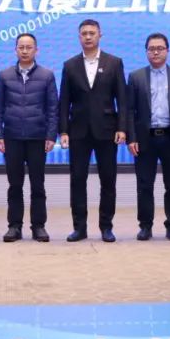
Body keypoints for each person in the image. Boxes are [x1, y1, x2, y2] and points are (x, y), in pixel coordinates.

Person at [58, 19, 127, 242]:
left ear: (100, 35)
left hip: (107, 130)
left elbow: (122, 99)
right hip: (78, 132)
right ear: (79, 37)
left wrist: (122, 128)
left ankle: (106, 227)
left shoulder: (114, 63)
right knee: (78, 180)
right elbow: (64, 101)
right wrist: (63, 131)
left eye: (92, 33)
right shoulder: (70, 65)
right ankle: (79, 228)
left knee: (108, 180)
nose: (88, 37)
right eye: (84, 33)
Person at [127, 33, 170, 241]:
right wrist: (131, 138)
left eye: (160, 48)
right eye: (151, 49)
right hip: (144, 139)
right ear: (146, 52)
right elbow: (129, 110)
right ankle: (145, 226)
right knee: (144, 185)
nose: (155, 52)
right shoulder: (136, 77)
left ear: (167, 51)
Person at [0, 33, 58, 243]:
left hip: (38, 138)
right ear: (15, 50)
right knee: (15, 185)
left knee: (38, 184)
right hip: (12, 138)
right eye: (21, 47)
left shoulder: (47, 76)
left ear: (36, 50)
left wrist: (51, 135)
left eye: (29, 47)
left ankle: (39, 226)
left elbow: (53, 109)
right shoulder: (4, 76)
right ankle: (14, 226)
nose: (25, 50)